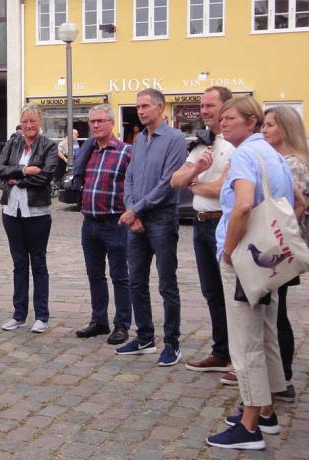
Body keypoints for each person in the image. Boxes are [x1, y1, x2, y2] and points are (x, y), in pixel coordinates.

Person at [205, 96, 295, 450]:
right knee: (267, 330)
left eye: (231, 118)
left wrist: (228, 250)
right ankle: (268, 410)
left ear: (251, 122)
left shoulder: (244, 155)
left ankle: (250, 424)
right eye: (222, 118)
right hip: (270, 256)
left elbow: (242, 204)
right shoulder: (273, 154)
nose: (223, 123)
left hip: (247, 256)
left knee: (246, 341)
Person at [117, 88, 187, 366]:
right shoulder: (138, 140)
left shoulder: (175, 139)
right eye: (138, 106)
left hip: (161, 219)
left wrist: (136, 209)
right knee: (136, 281)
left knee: (167, 284)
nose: (140, 111)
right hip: (137, 219)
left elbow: (168, 184)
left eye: (145, 106)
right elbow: (130, 177)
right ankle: (144, 336)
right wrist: (132, 211)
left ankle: (172, 342)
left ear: (160, 107)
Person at [261, 105, 309, 402]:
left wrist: (279, 234)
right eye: (264, 124)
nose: (264, 129)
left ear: (285, 129)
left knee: (277, 313)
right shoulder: (281, 159)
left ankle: (282, 376)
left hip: (281, 244)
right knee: (273, 311)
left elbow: (296, 205)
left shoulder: (293, 163)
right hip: (277, 242)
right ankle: (277, 374)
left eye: (271, 125)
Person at [170, 87, 235, 374]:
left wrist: (194, 184)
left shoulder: (235, 144)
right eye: (202, 105)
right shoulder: (202, 144)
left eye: (210, 105)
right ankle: (221, 351)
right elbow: (175, 180)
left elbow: (224, 189)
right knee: (211, 292)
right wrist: (196, 172)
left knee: (232, 293)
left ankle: (238, 356)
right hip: (200, 222)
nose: (204, 110)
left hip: (224, 222)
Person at [0, 103, 59, 334]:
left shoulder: (49, 146)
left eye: (33, 121)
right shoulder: (13, 143)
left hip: (37, 212)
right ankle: (19, 314)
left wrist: (16, 180)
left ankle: (41, 315)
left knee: (38, 263)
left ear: (40, 122)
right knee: (19, 264)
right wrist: (23, 171)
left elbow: (46, 176)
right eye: (25, 121)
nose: (29, 125)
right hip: (11, 211)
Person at [71, 105, 133, 345]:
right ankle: (99, 320)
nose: (95, 125)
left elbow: (134, 186)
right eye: (92, 122)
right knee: (94, 274)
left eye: (100, 121)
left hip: (115, 222)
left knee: (120, 276)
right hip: (90, 222)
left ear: (112, 123)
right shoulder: (89, 152)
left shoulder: (126, 152)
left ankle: (122, 324)